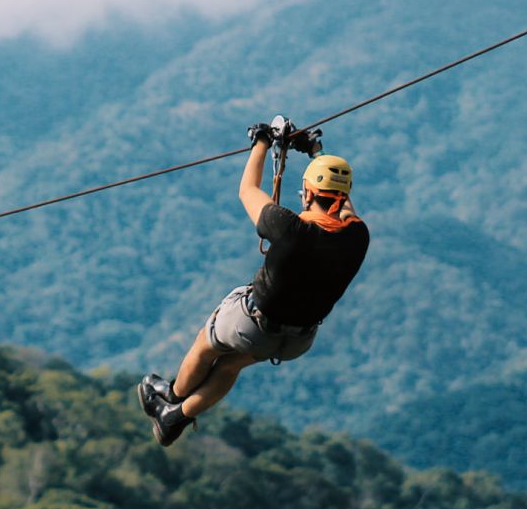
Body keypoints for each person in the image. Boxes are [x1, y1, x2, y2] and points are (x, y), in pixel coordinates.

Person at [137, 122, 370, 446]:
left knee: (206, 345)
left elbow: (247, 190)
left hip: (254, 325)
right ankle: (175, 418)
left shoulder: (290, 229)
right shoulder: (357, 236)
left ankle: (169, 397)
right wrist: (317, 153)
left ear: (309, 193)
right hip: (297, 341)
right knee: (231, 365)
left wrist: (260, 142)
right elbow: (343, 203)